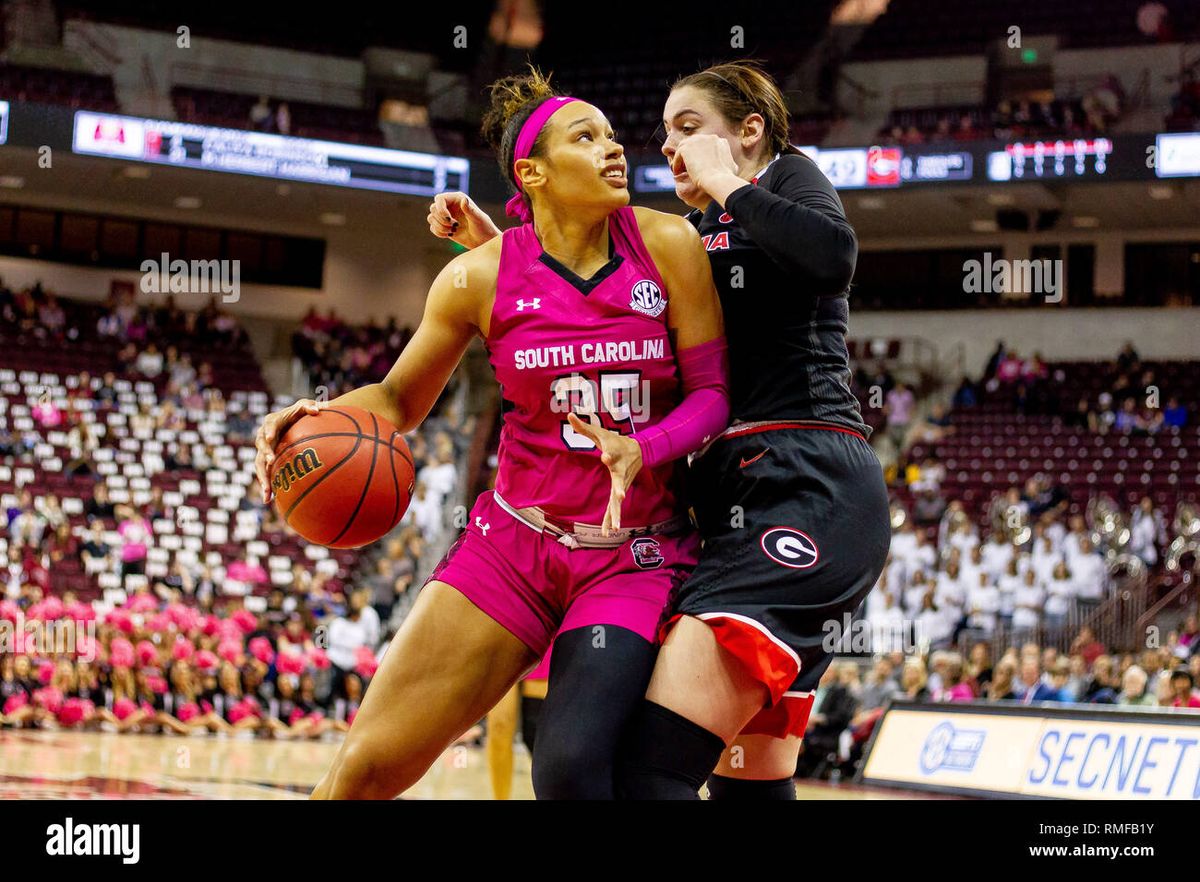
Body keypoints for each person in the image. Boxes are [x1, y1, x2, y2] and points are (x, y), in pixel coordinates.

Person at [260, 69, 728, 800]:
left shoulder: (669, 245)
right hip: (511, 547)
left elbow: (711, 397)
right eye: (587, 137)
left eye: (611, 136)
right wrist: (308, 417)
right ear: (531, 171)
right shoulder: (475, 277)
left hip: (632, 555)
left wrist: (645, 448)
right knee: (362, 773)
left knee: (570, 770)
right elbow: (394, 399)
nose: (613, 150)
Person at [431, 60, 888, 800]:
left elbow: (832, 258)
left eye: (688, 129)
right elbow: (610, 303)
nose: (669, 148)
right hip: (734, 498)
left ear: (749, 132)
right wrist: (498, 249)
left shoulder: (782, 177)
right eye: (664, 134)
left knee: (650, 767)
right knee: (746, 780)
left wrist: (730, 180)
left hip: (808, 483)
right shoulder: (694, 232)